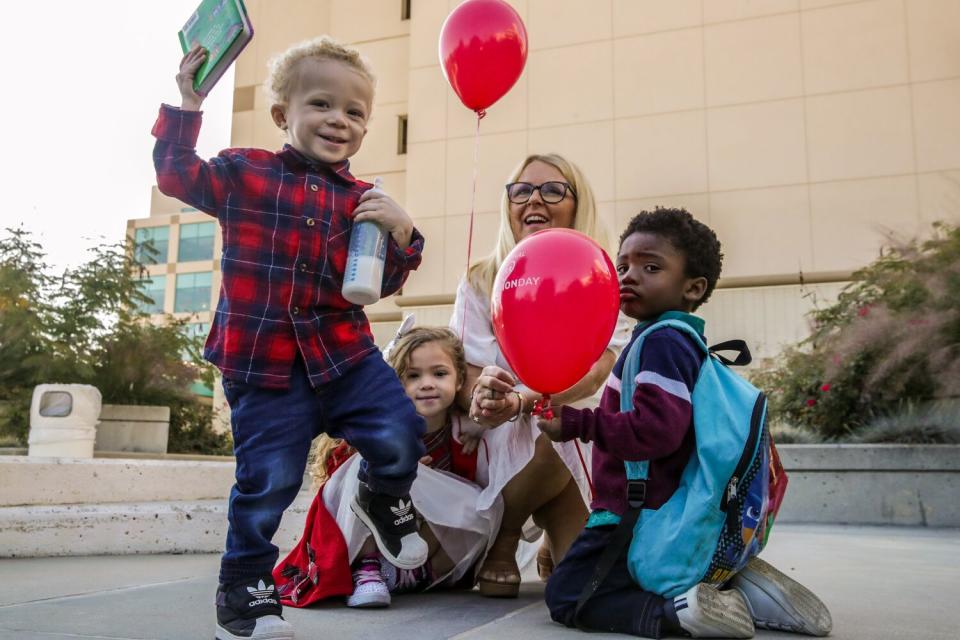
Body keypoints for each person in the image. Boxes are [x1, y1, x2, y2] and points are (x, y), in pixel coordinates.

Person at [153, 37, 430, 640]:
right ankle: (246, 590)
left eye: (354, 113)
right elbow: (176, 175)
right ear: (284, 115)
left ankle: (384, 498)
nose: (339, 120)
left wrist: (405, 234)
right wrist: (187, 103)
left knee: (403, 432)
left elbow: (372, 286)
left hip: (345, 358)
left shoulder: (364, 202)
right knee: (268, 482)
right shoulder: (243, 172)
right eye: (321, 105)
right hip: (265, 366)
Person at [536, 208, 832, 638]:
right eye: (623, 266)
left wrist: (578, 424)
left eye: (650, 267)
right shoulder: (679, 340)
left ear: (693, 287)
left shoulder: (662, 342)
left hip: (634, 512)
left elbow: (656, 431)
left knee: (570, 594)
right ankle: (733, 587)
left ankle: (679, 613)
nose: (628, 276)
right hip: (658, 509)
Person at [450, 154, 631, 597]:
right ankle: (515, 533)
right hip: (498, 435)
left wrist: (524, 399)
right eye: (522, 191)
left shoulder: (602, 274)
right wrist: (484, 398)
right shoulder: (479, 280)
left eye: (553, 190)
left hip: (573, 428)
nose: (535, 199)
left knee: (588, 586)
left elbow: (597, 372)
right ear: (508, 205)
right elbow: (465, 369)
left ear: (577, 203)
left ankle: (528, 532)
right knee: (547, 427)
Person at [273, 324, 501, 609]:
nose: (427, 383)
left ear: (458, 381)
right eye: (413, 376)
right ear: (395, 384)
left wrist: (482, 425)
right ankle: (367, 569)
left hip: (422, 541)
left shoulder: (461, 431)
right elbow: (340, 487)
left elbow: (461, 500)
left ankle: (416, 573)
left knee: (486, 506)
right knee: (373, 463)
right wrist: (398, 465)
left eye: (439, 374)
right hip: (361, 535)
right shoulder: (378, 427)